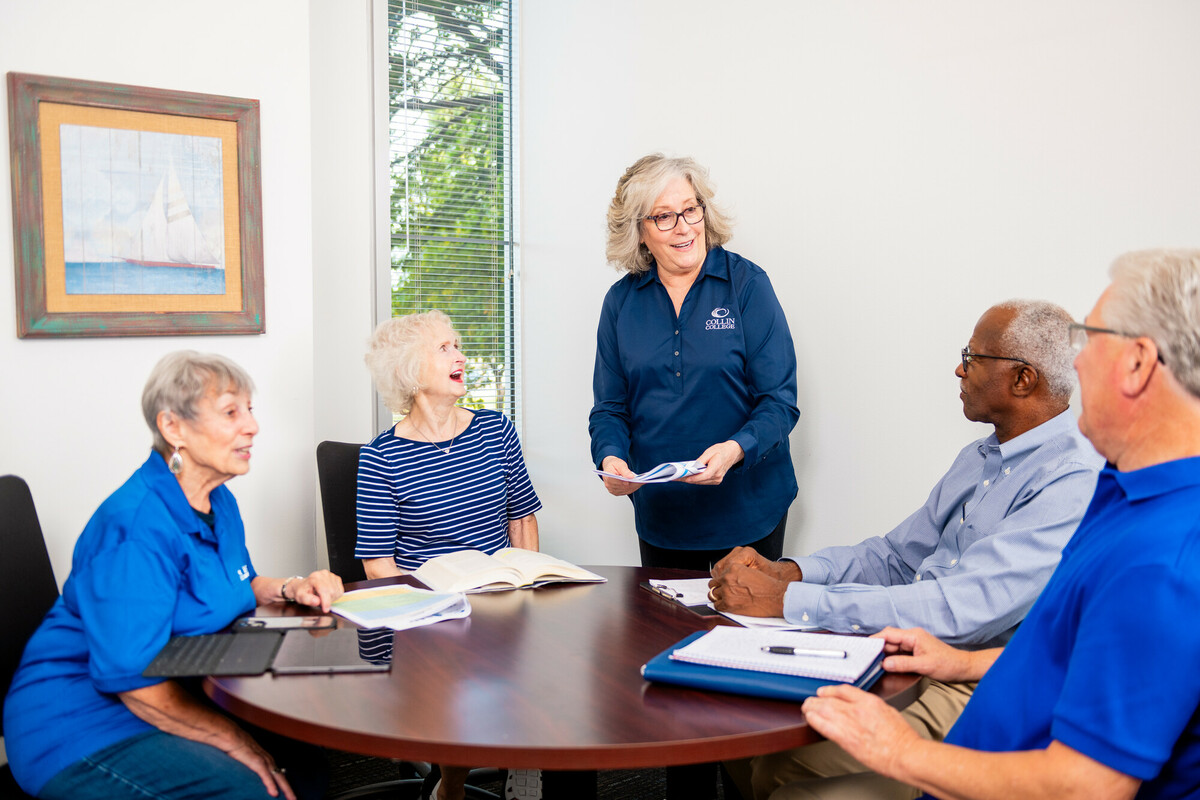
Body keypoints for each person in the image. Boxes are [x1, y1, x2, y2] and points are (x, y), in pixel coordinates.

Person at [798, 249, 1200, 800]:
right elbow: (1080, 647)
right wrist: (965, 660)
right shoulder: (1125, 492)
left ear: (1137, 364)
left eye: (1092, 338)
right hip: (983, 724)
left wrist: (901, 752)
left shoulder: (1165, 558)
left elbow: (1085, 787)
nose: (1076, 363)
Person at [709, 300, 1104, 800]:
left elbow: (959, 610)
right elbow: (896, 557)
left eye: (973, 357)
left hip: (979, 680)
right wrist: (790, 573)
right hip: (914, 655)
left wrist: (786, 602)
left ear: (1022, 379)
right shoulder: (981, 456)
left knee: (785, 773)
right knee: (739, 730)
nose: (959, 368)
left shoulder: (1070, 479)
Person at [3, 351, 344, 800]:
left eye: (249, 409)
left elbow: (233, 586)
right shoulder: (134, 526)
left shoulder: (216, 499)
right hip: (80, 722)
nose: (252, 426)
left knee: (306, 765)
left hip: (168, 693)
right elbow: (129, 678)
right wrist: (230, 738)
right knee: (256, 789)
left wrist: (290, 586)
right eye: (230, 412)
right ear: (173, 428)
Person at [589, 153, 800, 799]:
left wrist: (735, 449)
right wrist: (611, 459)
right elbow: (610, 408)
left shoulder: (746, 285)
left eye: (691, 210)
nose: (684, 227)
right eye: (665, 216)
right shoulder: (623, 303)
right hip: (665, 522)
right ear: (639, 232)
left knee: (744, 673)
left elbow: (780, 400)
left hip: (750, 512)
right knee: (678, 676)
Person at [355, 310, 546, 800]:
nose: (461, 355)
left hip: (498, 596)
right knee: (454, 666)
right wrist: (429, 608)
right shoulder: (380, 457)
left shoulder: (496, 431)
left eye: (458, 345)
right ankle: (456, 784)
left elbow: (521, 519)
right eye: (444, 348)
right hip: (428, 611)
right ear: (409, 369)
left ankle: (521, 758)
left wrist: (529, 584)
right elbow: (378, 564)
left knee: (548, 655)